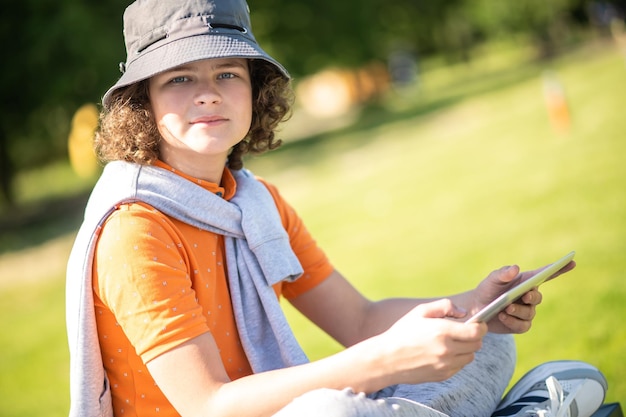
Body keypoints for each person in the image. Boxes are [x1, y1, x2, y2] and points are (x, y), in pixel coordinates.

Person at [65, 1, 608, 416]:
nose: (207, 93)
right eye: (180, 78)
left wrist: (472, 304)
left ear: (255, 93)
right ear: (143, 105)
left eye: (227, 72)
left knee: (484, 345)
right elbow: (212, 405)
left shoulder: (256, 204)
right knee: (332, 409)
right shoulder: (135, 230)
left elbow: (360, 320)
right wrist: (386, 362)